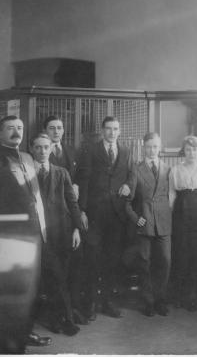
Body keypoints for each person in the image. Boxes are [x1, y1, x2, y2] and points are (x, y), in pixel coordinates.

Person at [0, 115, 51, 349]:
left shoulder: (29, 158)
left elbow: (36, 196)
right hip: (9, 236)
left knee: (32, 288)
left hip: (34, 233)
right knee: (11, 292)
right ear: (1, 132)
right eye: (10, 128)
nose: (16, 132)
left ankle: (26, 333)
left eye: (19, 128)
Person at [29, 133, 84, 336]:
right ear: (32, 149)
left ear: (51, 149)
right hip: (36, 234)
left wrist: (77, 229)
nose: (43, 151)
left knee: (59, 277)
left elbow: (72, 202)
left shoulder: (61, 173)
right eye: (38, 147)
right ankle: (63, 319)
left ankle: (62, 318)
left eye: (46, 147)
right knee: (51, 277)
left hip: (60, 232)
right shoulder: (26, 174)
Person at [78, 116, 132, 320]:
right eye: (108, 129)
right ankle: (90, 303)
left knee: (112, 260)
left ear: (119, 131)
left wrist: (128, 185)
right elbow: (83, 179)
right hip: (94, 214)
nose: (112, 132)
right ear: (102, 130)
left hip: (117, 214)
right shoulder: (90, 149)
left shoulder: (125, 151)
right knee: (92, 259)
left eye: (115, 129)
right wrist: (82, 210)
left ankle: (107, 301)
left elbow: (129, 175)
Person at [43, 115, 88, 325]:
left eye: (59, 128)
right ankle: (59, 313)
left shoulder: (71, 151)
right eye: (52, 128)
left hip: (71, 216)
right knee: (54, 269)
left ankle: (73, 308)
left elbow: (81, 179)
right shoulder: (40, 151)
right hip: (51, 220)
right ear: (46, 131)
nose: (56, 132)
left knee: (74, 266)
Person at [125, 132, 172, 317]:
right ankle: (148, 302)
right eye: (149, 146)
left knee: (165, 262)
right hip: (144, 224)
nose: (152, 150)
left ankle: (160, 300)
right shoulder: (136, 169)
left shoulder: (168, 169)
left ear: (159, 148)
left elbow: (172, 196)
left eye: (155, 147)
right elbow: (127, 202)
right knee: (144, 263)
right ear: (143, 147)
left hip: (163, 223)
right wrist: (137, 218)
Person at [169, 135, 197, 312]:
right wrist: (173, 215)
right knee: (181, 252)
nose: (191, 152)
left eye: (194, 149)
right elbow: (172, 194)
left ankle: (194, 295)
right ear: (183, 151)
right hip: (181, 212)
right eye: (188, 149)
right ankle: (179, 295)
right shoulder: (175, 170)